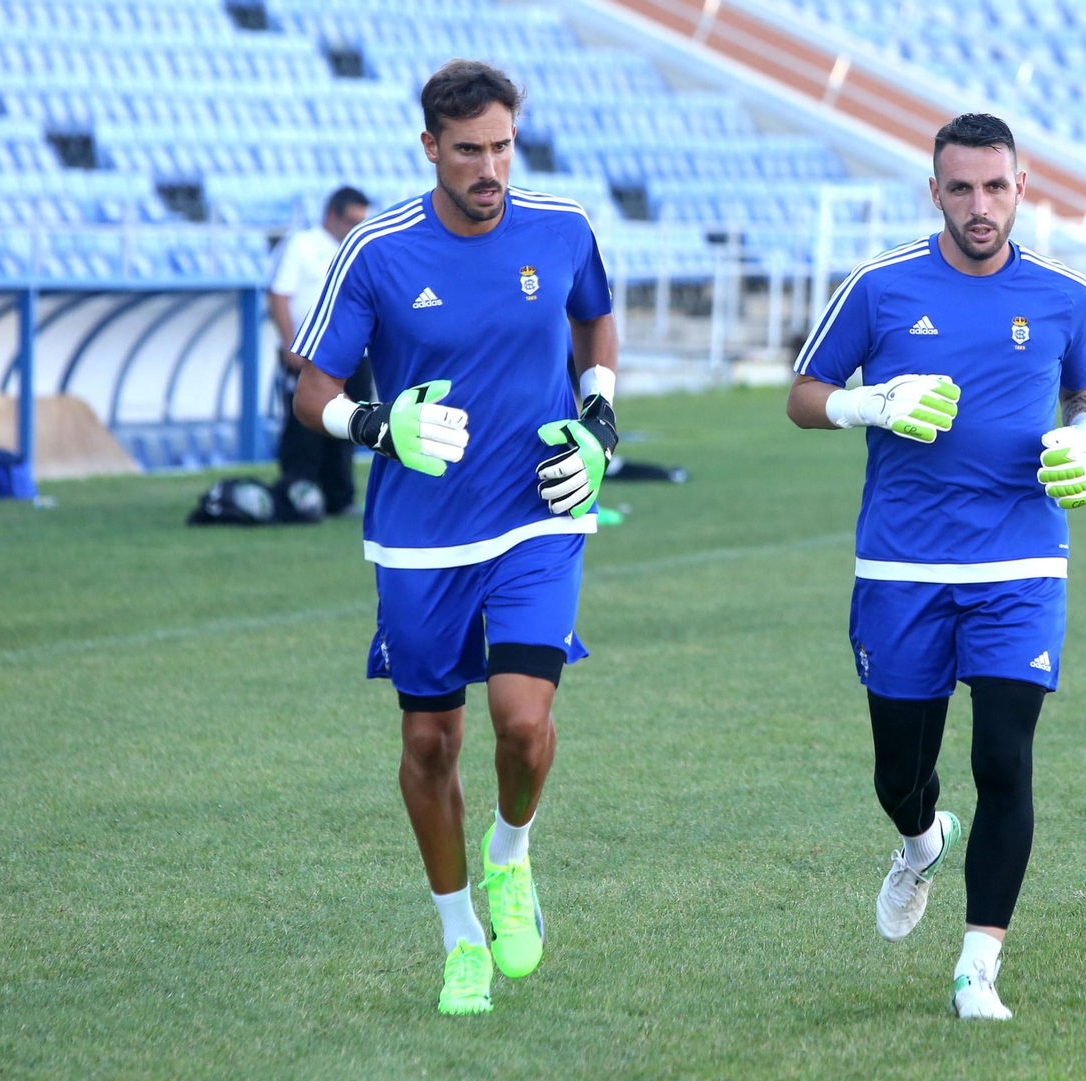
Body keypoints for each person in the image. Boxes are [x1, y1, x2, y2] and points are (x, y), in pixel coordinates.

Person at [287, 59, 618, 1016]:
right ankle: (459, 934)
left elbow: (594, 319)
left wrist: (598, 416)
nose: (489, 169)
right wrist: (377, 426)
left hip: (540, 513)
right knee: (431, 743)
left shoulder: (563, 228)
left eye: (502, 147)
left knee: (523, 721)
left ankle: (511, 858)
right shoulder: (377, 251)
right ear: (430, 147)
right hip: (421, 538)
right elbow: (313, 387)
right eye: (468, 151)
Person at [784, 113, 1086, 1021]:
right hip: (901, 568)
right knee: (900, 776)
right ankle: (922, 841)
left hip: (1023, 559)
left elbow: (1085, 387)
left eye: (995, 187)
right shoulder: (880, 287)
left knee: (1005, 755)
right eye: (960, 188)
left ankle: (976, 969)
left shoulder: (1065, 295)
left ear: (1019, 188)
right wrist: (872, 401)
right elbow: (802, 397)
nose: (979, 205)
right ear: (935, 191)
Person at [268, 186, 372, 515]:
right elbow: (280, 295)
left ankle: (340, 498)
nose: (355, 227)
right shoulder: (302, 246)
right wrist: (290, 343)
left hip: (354, 355)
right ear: (332, 215)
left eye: (361, 221)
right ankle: (298, 493)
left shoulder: (360, 250)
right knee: (303, 426)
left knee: (348, 424)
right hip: (309, 352)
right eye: (351, 220)